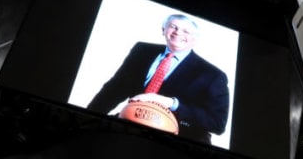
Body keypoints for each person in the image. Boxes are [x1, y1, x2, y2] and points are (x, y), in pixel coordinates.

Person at [87, 13, 230, 144]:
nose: (178, 33)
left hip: (180, 139)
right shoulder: (142, 50)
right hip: (134, 122)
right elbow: (116, 87)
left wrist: (172, 103)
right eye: (173, 27)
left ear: (195, 39)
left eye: (186, 31)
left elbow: (217, 123)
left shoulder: (213, 75)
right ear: (163, 30)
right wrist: (89, 116)